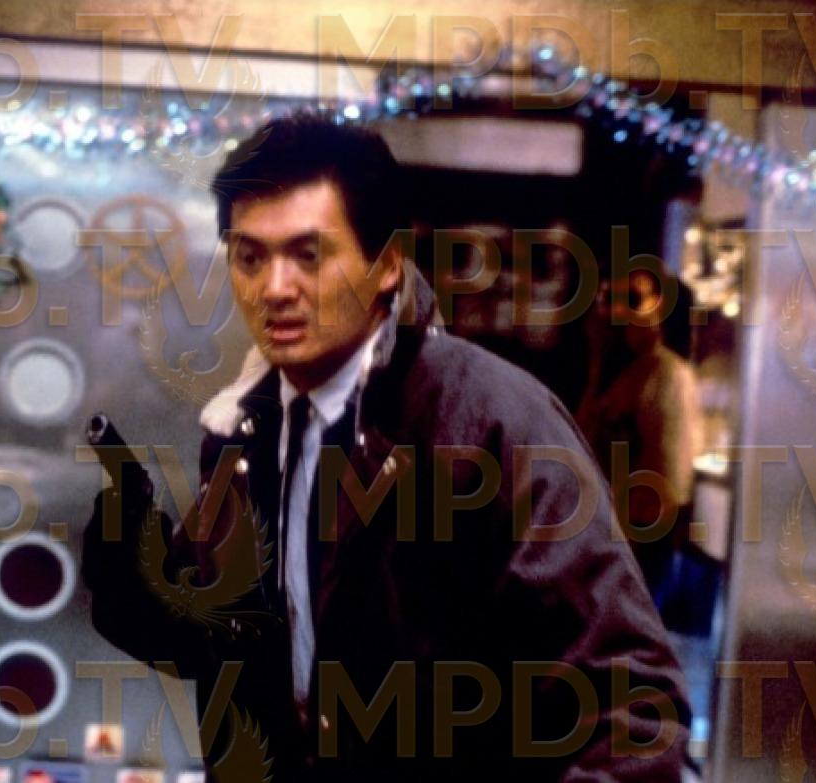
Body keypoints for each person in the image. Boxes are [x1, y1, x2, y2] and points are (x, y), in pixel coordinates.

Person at [82, 114, 691, 781]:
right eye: (250, 257)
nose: (274, 288)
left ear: (387, 265)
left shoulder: (487, 422)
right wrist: (131, 565)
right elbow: (219, 643)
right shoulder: (246, 430)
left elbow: (631, 705)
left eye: (309, 255)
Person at [576, 268, 704, 602]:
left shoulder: (668, 375)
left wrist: (624, 547)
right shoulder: (613, 369)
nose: (616, 311)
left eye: (632, 300)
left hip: (633, 552)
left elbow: (666, 484)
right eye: (609, 299)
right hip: (600, 543)